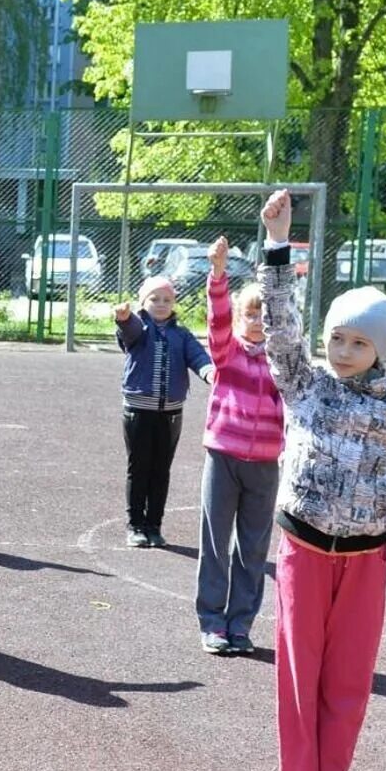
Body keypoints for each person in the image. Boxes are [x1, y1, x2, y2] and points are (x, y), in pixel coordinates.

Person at [259, 190, 386, 771]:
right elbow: (279, 327)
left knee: (350, 675)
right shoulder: (306, 382)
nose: (344, 349)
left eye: (359, 341)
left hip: (366, 559)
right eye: (336, 337)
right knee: (302, 665)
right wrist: (277, 244)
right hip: (304, 549)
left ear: (380, 348)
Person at [194, 236, 283, 656]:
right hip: (224, 455)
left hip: (265, 462)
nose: (256, 320)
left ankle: (241, 624)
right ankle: (213, 622)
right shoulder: (227, 353)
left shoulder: (284, 362)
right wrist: (218, 275)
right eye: (250, 313)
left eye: (264, 314)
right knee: (216, 541)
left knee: (253, 547)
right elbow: (216, 321)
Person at [116, 270, 215, 548]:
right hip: (138, 410)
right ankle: (135, 525)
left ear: (174, 304)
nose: (161, 304)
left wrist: (209, 373)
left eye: (167, 299)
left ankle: (154, 525)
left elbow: (198, 357)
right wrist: (123, 318)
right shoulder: (138, 329)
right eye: (154, 298)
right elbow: (129, 331)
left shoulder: (181, 335)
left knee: (161, 470)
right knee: (139, 469)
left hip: (171, 413)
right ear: (142, 302)